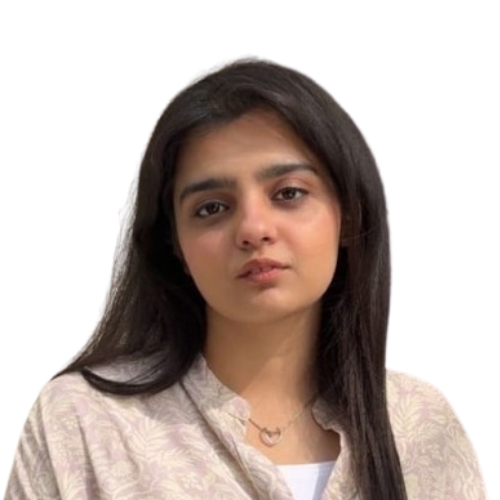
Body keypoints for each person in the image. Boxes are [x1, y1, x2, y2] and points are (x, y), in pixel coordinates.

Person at [5, 59, 486, 500]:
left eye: (289, 193)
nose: (254, 229)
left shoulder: (419, 424)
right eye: (212, 207)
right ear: (175, 244)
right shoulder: (84, 422)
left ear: (350, 215)